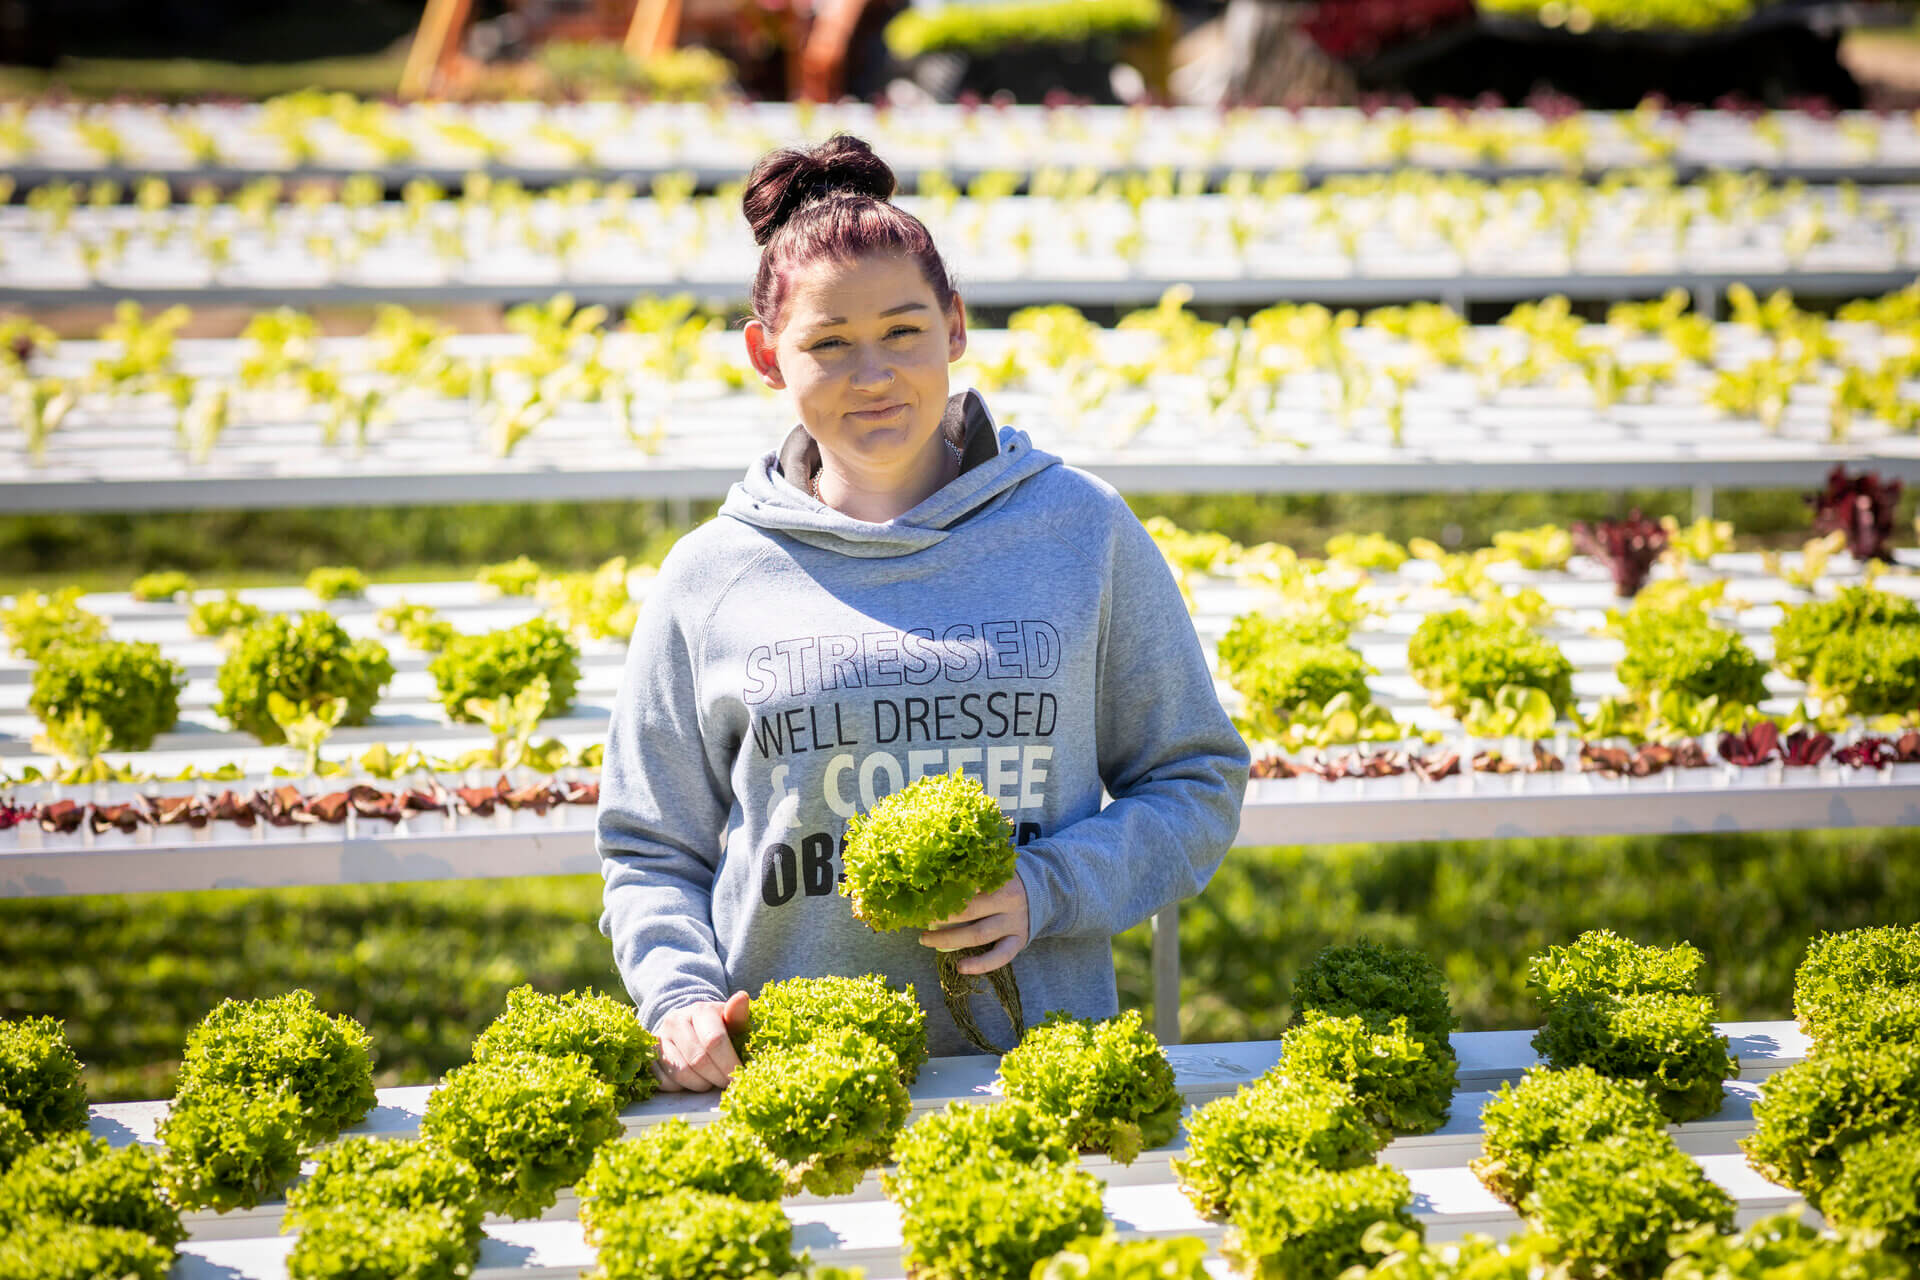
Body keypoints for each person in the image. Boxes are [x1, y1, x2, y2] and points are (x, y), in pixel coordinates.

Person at [596, 133, 1249, 1092]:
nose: (873, 375)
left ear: (954, 326)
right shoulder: (712, 574)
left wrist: (1048, 888)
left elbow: (1194, 779)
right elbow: (650, 844)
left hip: (1042, 1080)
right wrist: (679, 995)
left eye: (903, 331)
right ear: (767, 355)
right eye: (828, 343)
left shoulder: (1080, 531)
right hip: (790, 1086)